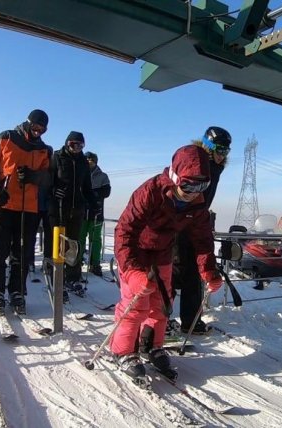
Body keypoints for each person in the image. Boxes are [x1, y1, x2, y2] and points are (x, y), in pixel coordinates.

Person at [111, 144, 224, 381]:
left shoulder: (197, 203)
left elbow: (202, 239)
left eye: (202, 185)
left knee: (162, 304)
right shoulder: (150, 192)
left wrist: (209, 270)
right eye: (189, 185)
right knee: (136, 304)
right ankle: (123, 351)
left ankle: (151, 345)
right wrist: (131, 271)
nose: (194, 191)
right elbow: (124, 231)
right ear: (175, 177)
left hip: (162, 254)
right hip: (136, 253)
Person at [0, 109, 51, 315]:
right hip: (3, 203)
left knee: (22, 252)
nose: (39, 131)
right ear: (28, 123)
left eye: (43, 129)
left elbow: (47, 178)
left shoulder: (45, 150)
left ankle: (17, 290)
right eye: (36, 127)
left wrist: (33, 176)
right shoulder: (7, 137)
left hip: (28, 207)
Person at [172, 126, 231, 334]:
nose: (223, 155)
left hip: (197, 221)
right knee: (173, 272)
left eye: (227, 151)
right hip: (180, 222)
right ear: (209, 146)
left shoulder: (215, 167)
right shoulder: (197, 162)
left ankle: (191, 322)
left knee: (193, 274)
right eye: (221, 150)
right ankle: (156, 323)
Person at [49, 131, 95, 296]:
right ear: (67, 143)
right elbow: (47, 181)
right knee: (59, 244)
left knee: (74, 244)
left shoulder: (83, 161)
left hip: (77, 209)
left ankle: (73, 277)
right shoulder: (57, 157)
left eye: (80, 145)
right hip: (59, 207)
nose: (76, 148)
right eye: (73, 145)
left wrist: (93, 202)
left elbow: (87, 187)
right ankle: (56, 277)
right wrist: (54, 190)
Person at [79, 152, 111, 276]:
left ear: (96, 161)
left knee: (95, 239)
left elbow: (106, 191)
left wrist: (92, 194)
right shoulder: (80, 173)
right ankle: (78, 260)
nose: (89, 162)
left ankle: (95, 263)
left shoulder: (102, 176)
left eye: (91, 160)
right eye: (87, 159)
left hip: (96, 212)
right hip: (82, 212)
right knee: (80, 238)